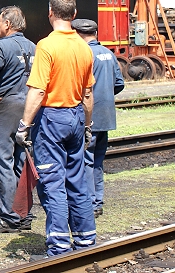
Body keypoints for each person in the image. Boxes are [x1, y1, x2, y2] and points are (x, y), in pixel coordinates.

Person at [15, 0, 96, 256]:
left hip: (52, 119)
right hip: (75, 117)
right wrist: (87, 126)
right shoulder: (84, 48)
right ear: (73, 14)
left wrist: (24, 125)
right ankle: (85, 240)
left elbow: (38, 90)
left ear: (50, 12)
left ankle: (59, 246)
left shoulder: (46, 46)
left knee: (52, 184)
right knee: (77, 181)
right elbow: (87, 94)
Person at [0, 6, 36, 233]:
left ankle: (9, 218)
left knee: (0, 159)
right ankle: (25, 215)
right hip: (28, 107)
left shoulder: (0, 46)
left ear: (9, 25)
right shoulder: (33, 46)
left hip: (6, 106)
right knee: (21, 160)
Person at [71, 18, 124, 218]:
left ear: (79, 34)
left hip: (89, 116)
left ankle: (90, 203)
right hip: (107, 116)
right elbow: (119, 84)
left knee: (86, 160)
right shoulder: (109, 54)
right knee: (98, 161)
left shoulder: (85, 54)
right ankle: (98, 201)